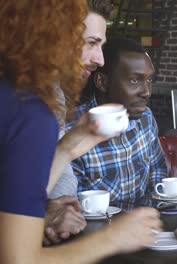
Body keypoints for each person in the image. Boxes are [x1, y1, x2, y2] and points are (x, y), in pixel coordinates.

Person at [0, 1, 162, 263]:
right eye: (91, 43)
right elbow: (18, 259)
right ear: (50, 37)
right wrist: (113, 238)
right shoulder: (32, 112)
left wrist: (69, 146)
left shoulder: (18, 95)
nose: (99, 60)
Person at [42, 0, 113, 246]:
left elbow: (60, 172)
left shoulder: (53, 94)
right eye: (92, 43)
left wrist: (55, 210)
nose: (100, 59)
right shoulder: (18, 98)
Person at [65, 37, 168, 202]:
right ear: (102, 82)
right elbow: (66, 205)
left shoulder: (146, 118)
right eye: (134, 80)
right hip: (97, 228)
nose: (147, 92)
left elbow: (158, 170)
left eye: (149, 80)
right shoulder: (70, 129)